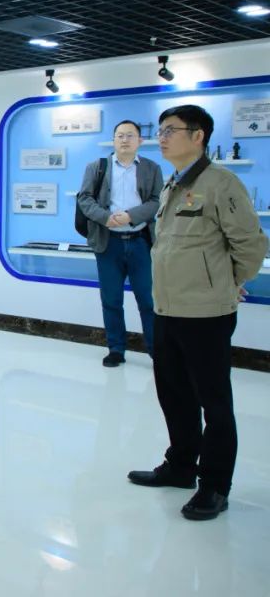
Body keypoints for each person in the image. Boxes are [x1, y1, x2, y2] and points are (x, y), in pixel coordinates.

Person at [128, 105, 267, 521]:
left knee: (214, 404)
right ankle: (181, 466)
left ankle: (215, 486)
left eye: (170, 130)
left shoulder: (221, 183)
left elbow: (251, 245)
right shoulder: (173, 183)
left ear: (198, 136)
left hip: (206, 313)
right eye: (160, 131)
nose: (162, 138)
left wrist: (228, 282)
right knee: (174, 395)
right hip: (168, 309)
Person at [77, 120, 163, 367]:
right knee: (111, 300)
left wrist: (131, 216)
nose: (125, 140)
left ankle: (157, 351)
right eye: (120, 135)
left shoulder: (151, 168)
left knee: (148, 300)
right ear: (114, 140)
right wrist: (106, 218)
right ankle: (116, 349)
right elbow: (85, 198)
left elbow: (157, 200)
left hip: (140, 242)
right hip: (108, 243)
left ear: (140, 141)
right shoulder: (97, 167)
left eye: (130, 135)